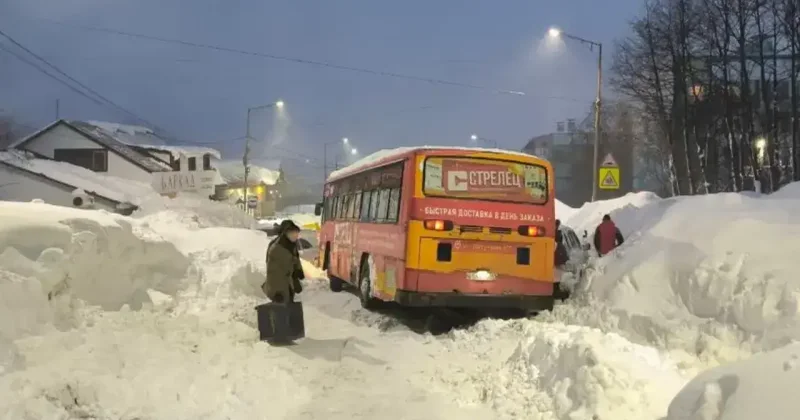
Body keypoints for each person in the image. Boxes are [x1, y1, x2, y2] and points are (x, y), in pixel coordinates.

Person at [262, 220, 305, 303]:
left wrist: (298, 271)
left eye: (296, 233)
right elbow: (272, 272)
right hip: (278, 289)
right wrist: (275, 292)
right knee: (280, 311)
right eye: (292, 233)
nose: (295, 236)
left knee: (287, 309)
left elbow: (295, 260)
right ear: (285, 233)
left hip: (287, 286)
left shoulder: (291, 245)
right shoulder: (276, 248)